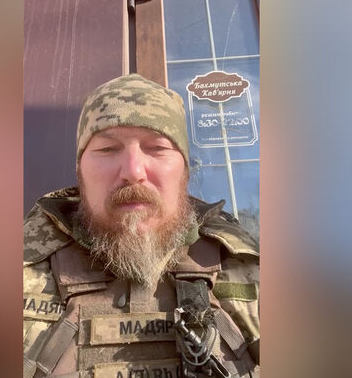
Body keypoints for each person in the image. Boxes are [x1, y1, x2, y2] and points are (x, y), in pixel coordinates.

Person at [23, 74, 260, 378]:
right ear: (80, 171)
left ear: (184, 171)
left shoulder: (245, 267)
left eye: (157, 147)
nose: (134, 171)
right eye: (108, 149)